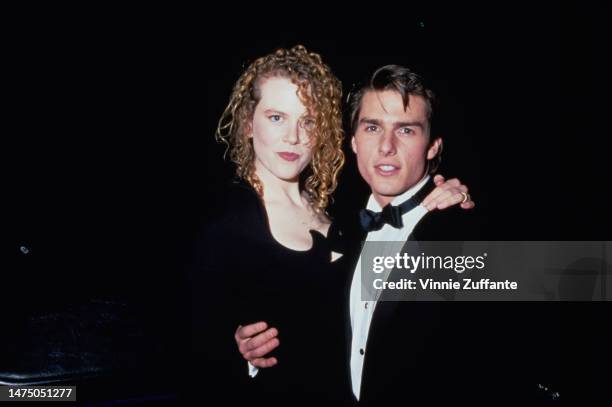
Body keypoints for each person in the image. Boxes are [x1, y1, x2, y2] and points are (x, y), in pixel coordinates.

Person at [234, 64, 544, 404]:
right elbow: (314, 330)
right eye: (372, 127)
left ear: (433, 146)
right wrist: (252, 351)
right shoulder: (341, 228)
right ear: (352, 141)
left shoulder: (468, 232)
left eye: (406, 130)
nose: (386, 146)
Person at [193, 49, 473, 404]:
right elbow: (197, 351)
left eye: (308, 121)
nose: (294, 136)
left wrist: (462, 200)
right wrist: (238, 352)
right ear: (248, 122)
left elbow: (549, 282)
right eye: (277, 117)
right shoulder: (223, 226)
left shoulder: (340, 213)